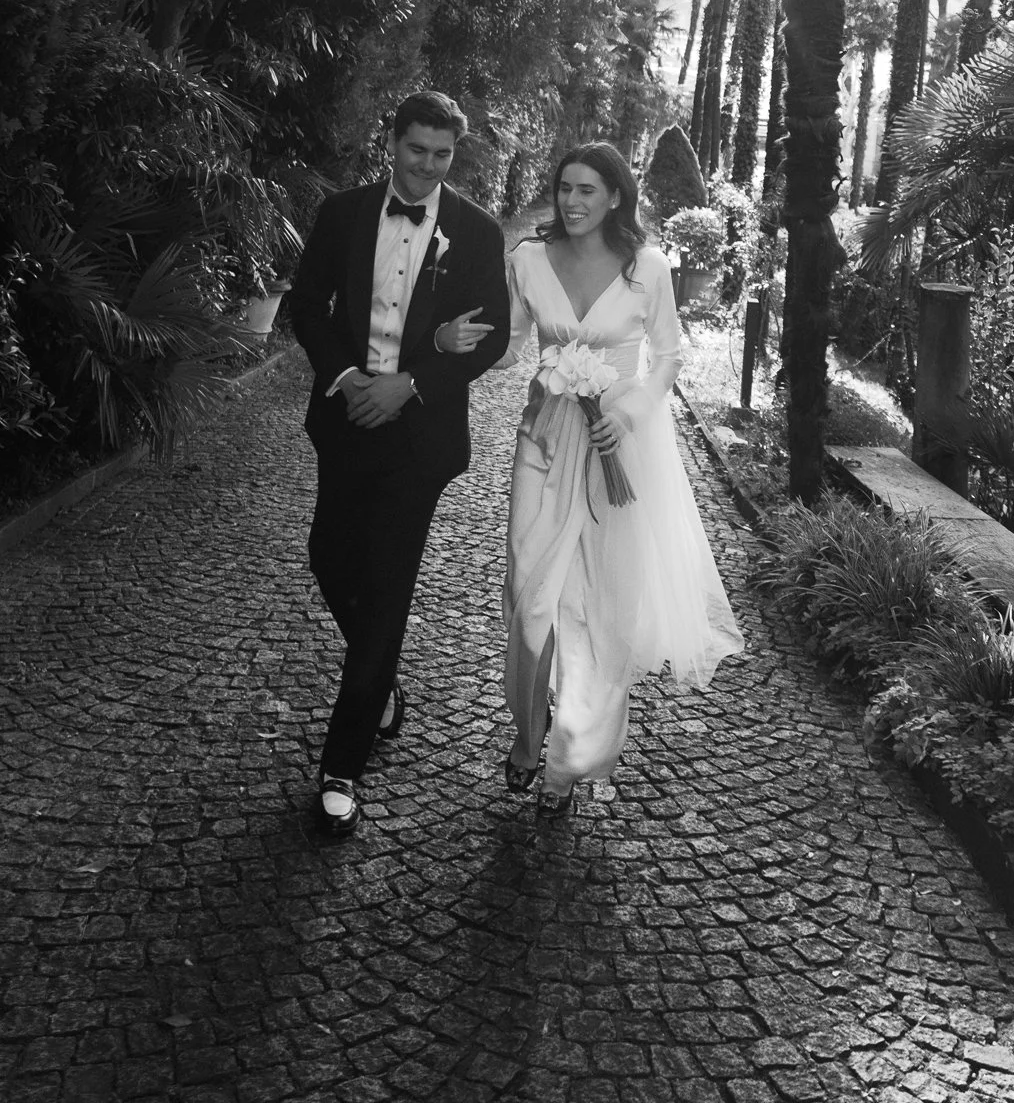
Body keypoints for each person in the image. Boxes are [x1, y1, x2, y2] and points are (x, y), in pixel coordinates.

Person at [287, 90, 510, 838]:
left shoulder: (476, 231)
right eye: (417, 150)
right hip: (347, 419)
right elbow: (305, 305)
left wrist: (410, 383)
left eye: (442, 155)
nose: (427, 167)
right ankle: (379, 675)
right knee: (328, 555)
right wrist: (348, 378)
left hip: (419, 439)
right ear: (392, 142)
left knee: (386, 591)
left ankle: (341, 768)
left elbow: (492, 336)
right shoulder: (342, 213)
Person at [502, 142, 744, 815]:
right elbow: (510, 346)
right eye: (564, 188)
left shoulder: (648, 268)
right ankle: (528, 728)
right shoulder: (527, 260)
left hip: (617, 449)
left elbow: (667, 358)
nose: (571, 201)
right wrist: (451, 346)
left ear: (615, 197)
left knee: (600, 607)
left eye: (587, 190)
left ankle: (567, 761)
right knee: (529, 598)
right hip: (543, 442)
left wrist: (629, 415)